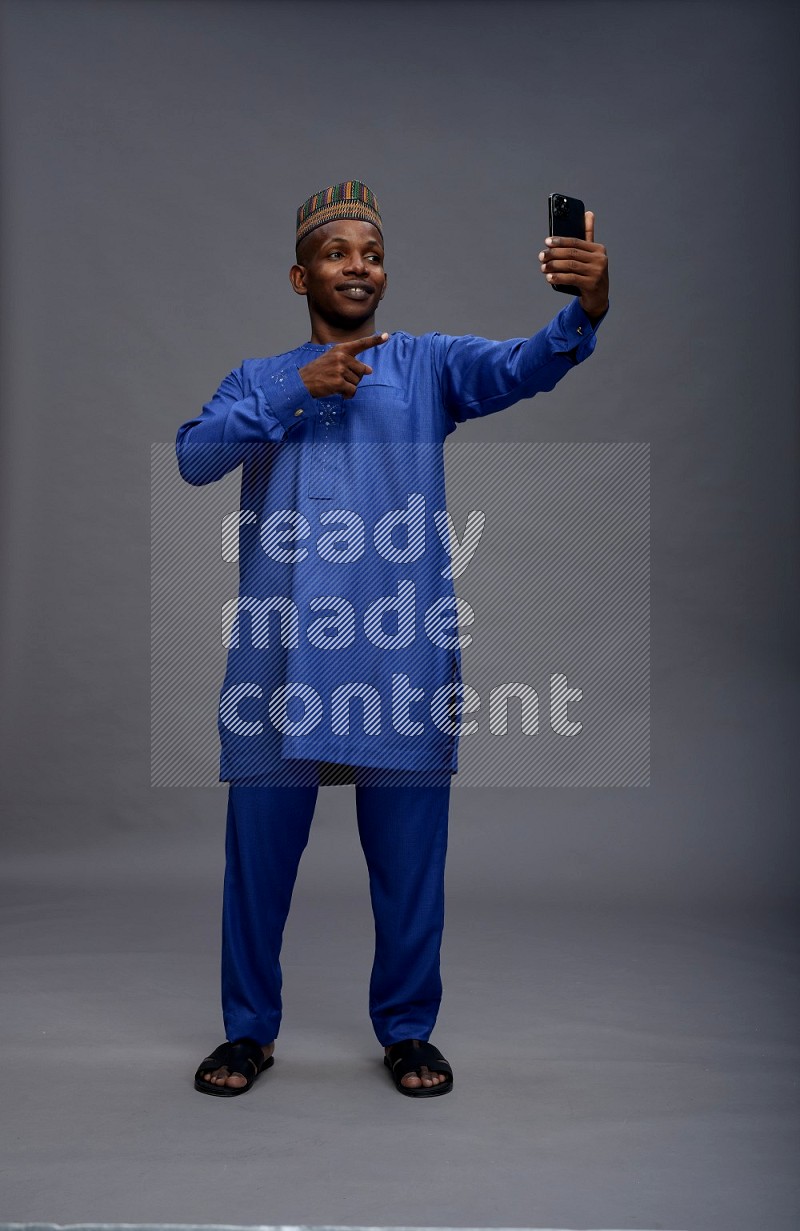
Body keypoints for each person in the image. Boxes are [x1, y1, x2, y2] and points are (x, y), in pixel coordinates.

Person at [176, 180, 609, 1098]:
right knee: (256, 865)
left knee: (410, 865)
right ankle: (247, 1032)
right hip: (279, 661)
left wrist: (585, 311)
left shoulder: (426, 367)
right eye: (338, 253)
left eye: (371, 253)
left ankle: (408, 1031)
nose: (358, 266)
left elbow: (523, 366)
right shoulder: (260, 377)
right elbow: (194, 456)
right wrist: (296, 391)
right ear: (302, 275)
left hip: (397, 654)